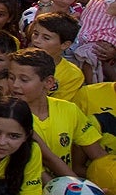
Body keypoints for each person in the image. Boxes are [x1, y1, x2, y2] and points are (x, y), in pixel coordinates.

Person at [6, 48, 103, 178]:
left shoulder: (69, 110)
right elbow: (42, 166)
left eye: (24, 80)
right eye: (11, 77)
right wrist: (77, 191)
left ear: (49, 82)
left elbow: (98, 155)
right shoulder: (6, 115)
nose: (15, 85)